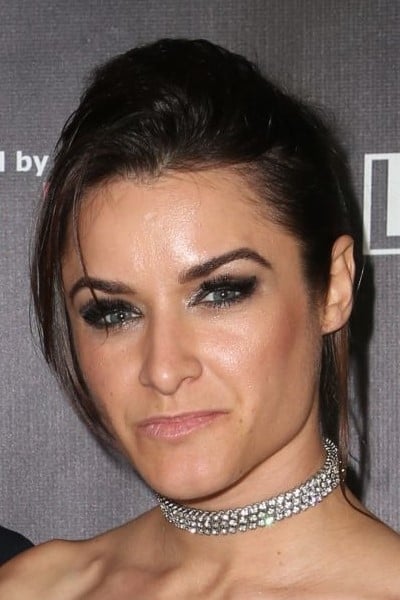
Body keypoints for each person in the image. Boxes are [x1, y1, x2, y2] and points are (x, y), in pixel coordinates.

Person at [0, 38, 399, 598]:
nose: (163, 370)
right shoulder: (30, 588)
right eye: (113, 312)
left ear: (333, 287)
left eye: (220, 293)